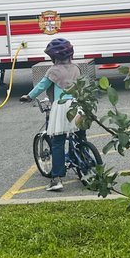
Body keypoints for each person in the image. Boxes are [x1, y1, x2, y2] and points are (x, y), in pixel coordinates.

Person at [20, 38, 83, 192]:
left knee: (58, 142)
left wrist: (29, 96)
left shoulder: (53, 71)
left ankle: (56, 179)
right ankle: (85, 166)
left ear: (53, 57)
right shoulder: (76, 68)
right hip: (78, 105)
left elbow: (41, 86)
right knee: (80, 137)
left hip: (61, 107)